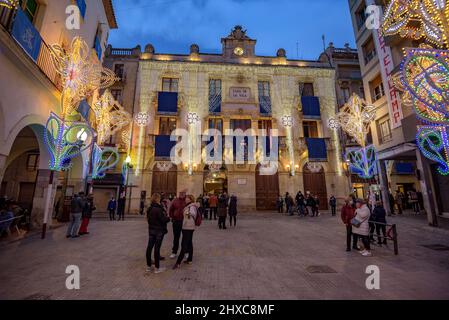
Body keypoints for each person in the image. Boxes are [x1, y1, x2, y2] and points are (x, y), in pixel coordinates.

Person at [146, 193, 170, 274]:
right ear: (157, 199)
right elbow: (163, 220)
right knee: (157, 248)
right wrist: (168, 218)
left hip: (151, 230)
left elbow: (148, 220)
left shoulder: (149, 208)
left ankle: (148, 266)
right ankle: (157, 268)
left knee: (149, 247)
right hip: (159, 231)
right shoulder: (158, 209)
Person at [173, 195, 198, 269]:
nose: (185, 199)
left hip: (188, 227)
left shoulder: (191, 206)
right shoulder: (189, 206)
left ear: (190, 199)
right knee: (189, 242)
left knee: (184, 244)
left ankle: (178, 262)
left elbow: (193, 214)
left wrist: (188, 214)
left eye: (187, 198)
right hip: (189, 226)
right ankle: (190, 259)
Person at [168, 191, 186, 259]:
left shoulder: (187, 201)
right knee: (176, 237)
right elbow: (171, 210)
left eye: (183, 193)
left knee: (185, 238)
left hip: (185, 222)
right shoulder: (175, 200)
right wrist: (173, 217)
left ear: (185, 194)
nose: (181, 194)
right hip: (176, 221)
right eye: (180, 193)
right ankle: (174, 252)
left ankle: (185, 251)